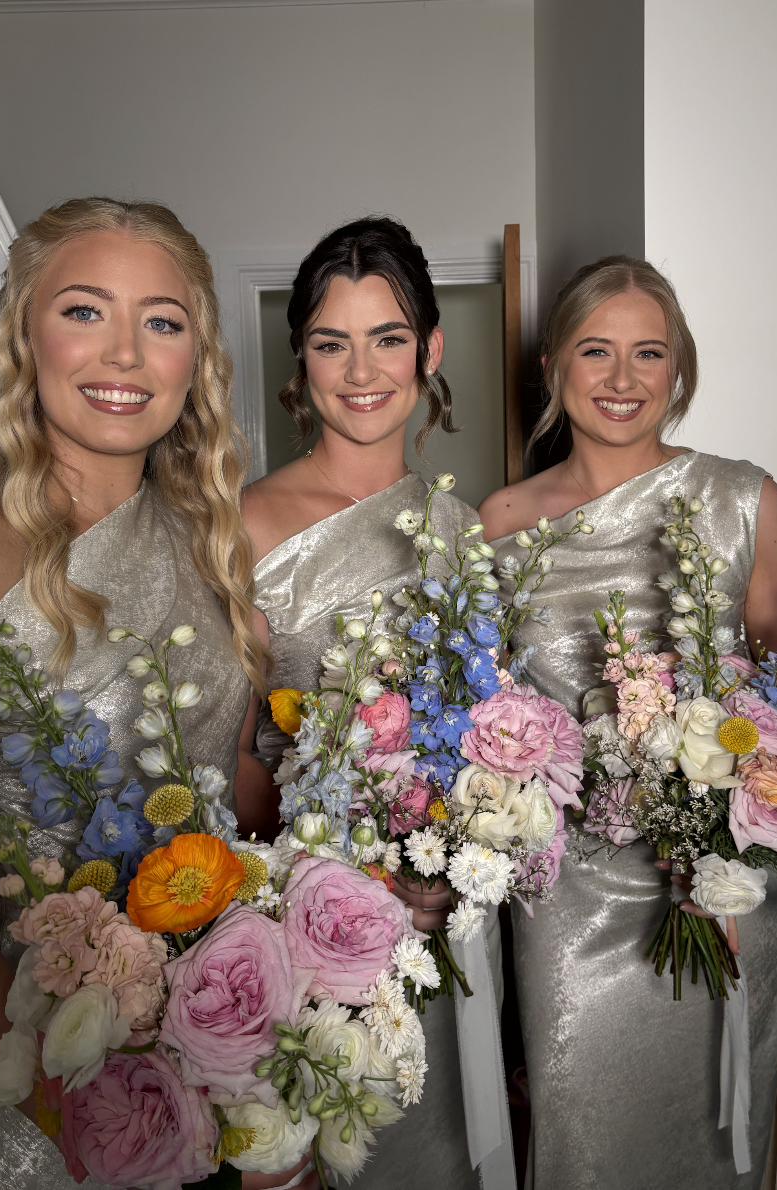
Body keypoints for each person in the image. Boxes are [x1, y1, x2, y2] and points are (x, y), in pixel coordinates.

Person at [0, 198, 286, 1189]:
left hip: (220, 1074)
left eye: (160, 320)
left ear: (195, 361)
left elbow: (229, 806)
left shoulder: (218, 553)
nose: (122, 354)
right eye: (82, 311)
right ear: (25, 334)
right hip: (36, 1109)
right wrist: (93, 1115)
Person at [478, 256, 777, 1189]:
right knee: (583, 1140)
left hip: (718, 891)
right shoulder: (497, 525)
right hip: (571, 902)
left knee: (716, 1142)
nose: (622, 380)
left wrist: (722, 833)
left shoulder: (744, 500)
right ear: (553, 364)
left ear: (678, 368)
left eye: (648, 354)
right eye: (596, 350)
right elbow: (491, 723)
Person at [243, 217, 489, 1190]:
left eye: (386, 337)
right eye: (329, 340)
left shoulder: (460, 530)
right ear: (298, 358)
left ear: (428, 350)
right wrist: (345, 879)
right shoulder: (244, 525)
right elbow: (221, 755)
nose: (360, 368)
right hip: (304, 936)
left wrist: (461, 861)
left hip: (444, 926)